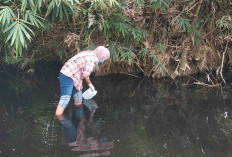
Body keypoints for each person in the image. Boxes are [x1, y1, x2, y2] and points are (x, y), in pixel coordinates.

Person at [55, 46, 110, 118]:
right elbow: (86, 75)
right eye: (103, 59)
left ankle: (79, 118)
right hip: (67, 74)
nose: (103, 61)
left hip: (75, 75)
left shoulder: (89, 53)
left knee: (78, 97)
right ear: (101, 56)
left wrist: (89, 119)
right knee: (65, 98)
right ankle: (58, 117)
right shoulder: (92, 59)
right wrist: (90, 85)